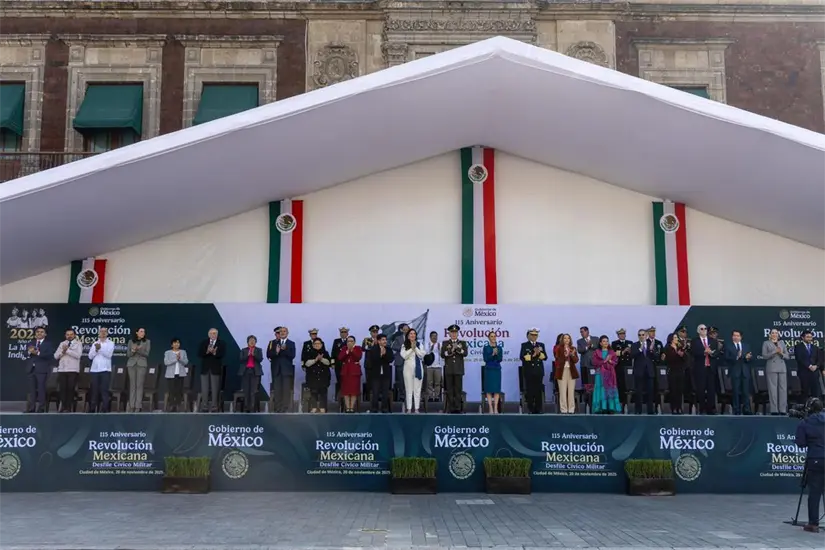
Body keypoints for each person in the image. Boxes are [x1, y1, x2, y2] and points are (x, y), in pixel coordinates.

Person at [795, 398, 825, 533]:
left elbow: (800, 443)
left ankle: (813, 524)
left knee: (815, 492)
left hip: (816, 459)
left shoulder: (805, 423)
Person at [24, 326, 54, 413]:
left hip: (42, 370)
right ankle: (31, 408)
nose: (39, 333)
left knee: (41, 389)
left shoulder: (48, 344)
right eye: (37, 332)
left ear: (45, 334)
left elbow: (49, 355)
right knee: (32, 390)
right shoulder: (31, 343)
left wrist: (38, 353)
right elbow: (25, 353)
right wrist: (30, 352)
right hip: (31, 369)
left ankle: (41, 408)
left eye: (41, 332)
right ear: (35, 334)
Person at [691, 324, 719, 415]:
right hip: (700, 368)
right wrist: (704, 352)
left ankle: (711, 409)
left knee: (711, 389)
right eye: (701, 329)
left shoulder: (713, 341)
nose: (704, 330)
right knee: (701, 389)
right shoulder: (695, 341)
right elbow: (694, 352)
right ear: (698, 331)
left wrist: (711, 353)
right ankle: (702, 408)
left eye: (705, 328)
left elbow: (716, 353)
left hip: (710, 368)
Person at [441, 324, 469, 414]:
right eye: (452, 332)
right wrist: (451, 350)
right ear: (449, 333)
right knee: (449, 390)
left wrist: (457, 349)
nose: (453, 334)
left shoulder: (462, 343)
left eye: (455, 332)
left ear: (457, 333)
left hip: (458, 370)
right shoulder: (445, 343)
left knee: (458, 389)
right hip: (449, 370)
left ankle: (458, 408)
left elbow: (465, 353)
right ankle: (450, 408)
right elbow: (442, 354)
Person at [268, 326, 296, 412]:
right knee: (277, 390)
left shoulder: (291, 343)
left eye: (284, 331)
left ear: (287, 333)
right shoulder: (273, 343)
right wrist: (276, 352)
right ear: (279, 333)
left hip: (286, 370)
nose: (282, 333)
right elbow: (269, 355)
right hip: (276, 369)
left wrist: (284, 350)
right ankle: (277, 408)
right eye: (281, 332)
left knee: (286, 390)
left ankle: (285, 408)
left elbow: (292, 355)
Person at [725, 329, 754, 415]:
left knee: (746, 392)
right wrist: (737, 356)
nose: (736, 337)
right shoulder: (728, 346)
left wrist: (748, 357)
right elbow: (726, 358)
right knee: (736, 392)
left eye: (737, 336)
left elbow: (751, 358)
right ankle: (736, 410)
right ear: (732, 337)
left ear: (741, 337)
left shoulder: (746, 346)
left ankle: (747, 409)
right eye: (734, 335)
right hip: (735, 371)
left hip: (745, 371)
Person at [54, 328, 82, 413]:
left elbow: (78, 355)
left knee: (70, 389)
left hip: (73, 370)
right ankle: (63, 407)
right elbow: (56, 356)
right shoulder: (62, 343)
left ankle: (69, 407)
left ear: (74, 335)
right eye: (67, 334)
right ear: (65, 335)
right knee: (62, 389)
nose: (69, 336)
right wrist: (63, 351)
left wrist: (68, 350)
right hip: (62, 370)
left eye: (71, 334)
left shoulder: (78, 344)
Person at [591, 335, 621, 414]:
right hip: (600, 373)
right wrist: (604, 361)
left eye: (607, 341)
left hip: (610, 373)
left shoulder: (611, 352)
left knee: (610, 389)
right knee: (600, 389)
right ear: (600, 343)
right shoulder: (597, 352)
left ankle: (611, 407)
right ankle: (600, 407)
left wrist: (610, 361)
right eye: (604, 341)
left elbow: (615, 362)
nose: (606, 343)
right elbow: (594, 362)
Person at [197, 328, 225, 412]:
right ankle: (204, 406)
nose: (213, 335)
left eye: (215, 333)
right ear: (209, 334)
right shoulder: (204, 343)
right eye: (212, 333)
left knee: (215, 388)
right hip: (205, 368)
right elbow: (199, 354)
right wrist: (207, 351)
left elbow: (222, 354)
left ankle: (214, 406)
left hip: (215, 368)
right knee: (204, 388)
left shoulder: (221, 343)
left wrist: (214, 353)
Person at [88, 327, 115, 413]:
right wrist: (96, 349)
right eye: (101, 331)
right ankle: (92, 408)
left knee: (104, 390)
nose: (103, 333)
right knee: (94, 390)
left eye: (105, 332)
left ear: (107, 333)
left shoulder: (111, 343)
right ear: (99, 333)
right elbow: (90, 356)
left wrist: (100, 349)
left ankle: (105, 408)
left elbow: (109, 355)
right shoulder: (95, 343)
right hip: (95, 370)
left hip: (105, 370)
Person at [520, 328, 547, 414]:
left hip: (539, 371)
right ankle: (531, 409)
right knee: (530, 390)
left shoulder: (541, 345)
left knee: (538, 390)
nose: (534, 337)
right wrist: (534, 355)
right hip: (529, 371)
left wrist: (539, 354)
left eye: (536, 335)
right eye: (532, 335)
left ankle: (538, 409)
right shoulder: (525, 345)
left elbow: (545, 357)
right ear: (528, 336)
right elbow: (523, 357)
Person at [763, 328, 789, 415]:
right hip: (772, 368)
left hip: (782, 368)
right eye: (772, 333)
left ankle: (782, 409)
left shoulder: (781, 343)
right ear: (770, 335)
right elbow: (765, 356)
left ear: (778, 335)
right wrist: (774, 351)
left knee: (783, 389)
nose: (774, 334)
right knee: (772, 389)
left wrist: (781, 353)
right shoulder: (766, 343)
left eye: (776, 333)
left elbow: (787, 356)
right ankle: (774, 409)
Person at [400, 328, 426, 413]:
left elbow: (422, 355)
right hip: (408, 369)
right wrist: (411, 348)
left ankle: (417, 408)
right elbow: (404, 356)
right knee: (409, 389)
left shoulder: (420, 344)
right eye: (411, 333)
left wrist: (415, 348)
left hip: (418, 369)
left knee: (417, 389)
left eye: (414, 334)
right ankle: (409, 408)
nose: (412, 335)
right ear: (408, 336)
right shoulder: (404, 345)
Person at [366, 333, 394, 413]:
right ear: (378, 341)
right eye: (383, 340)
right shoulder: (373, 349)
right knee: (375, 392)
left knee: (385, 392)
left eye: (385, 339)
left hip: (386, 374)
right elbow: (372, 361)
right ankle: (374, 408)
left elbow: (391, 359)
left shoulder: (388, 349)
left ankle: (384, 408)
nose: (385, 341)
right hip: (375, 374)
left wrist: (384, 355)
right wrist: (380, 355)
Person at [126, 328, 151, 412]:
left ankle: (138, 406)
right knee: (132, 385)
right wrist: (133, 350)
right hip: (131, 364)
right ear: (136, 333)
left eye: (144, 331)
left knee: (139, 385)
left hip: (142, 364)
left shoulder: (147, 342)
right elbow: (128, 354)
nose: (143, 333)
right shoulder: (130, 341)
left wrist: (138, 350)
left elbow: (147, 354)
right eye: (141, 331)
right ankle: (131, 405)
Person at [631, 329, 655, 415]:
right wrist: (640, 349)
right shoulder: (635, 345)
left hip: (649, 371)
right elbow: (632, 355)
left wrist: (651, 350)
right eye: (639, 335)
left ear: (646, 335)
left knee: (650, 391)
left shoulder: (650, 344)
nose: (641, 336)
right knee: (638, 391)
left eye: (643, 334)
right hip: (639, 371)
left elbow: (655, 357)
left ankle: (650, 410)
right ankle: (638, 410)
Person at [304, 338, 332, 413]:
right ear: (313, 345)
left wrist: (321, 359)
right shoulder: (309, 353)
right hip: (312, 376)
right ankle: (314, 407)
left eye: (318, 344)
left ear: (321, 345)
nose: (317, 345)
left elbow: (328, 363)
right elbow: (306, 363)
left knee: (323, 392)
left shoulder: (325, 353)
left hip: (323, 376)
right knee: (313, 393)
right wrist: (315, 360)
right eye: (315, 344)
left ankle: (323, 407)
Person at [554, 333, 579, 414]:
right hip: (561, 371)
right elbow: (557, 358)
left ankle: (571, 409)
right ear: (562, 339)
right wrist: (565, 355)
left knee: (571, 391)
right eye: (565, 338)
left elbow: (576, 360)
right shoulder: (558, 348)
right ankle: (563, 409)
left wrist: (571, 355)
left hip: (571, 371)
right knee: (562, 391)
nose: (567, 340)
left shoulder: (573, 348)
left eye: (568, 338)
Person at [237, 335, 263, 413]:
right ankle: (246, 407)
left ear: (255, 342)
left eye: (253, 340)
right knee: (246, 391)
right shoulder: (244, 350)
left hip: (255, 372)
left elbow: (260, 359)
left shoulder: (258, 350)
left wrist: (254, 354)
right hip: (245, 371)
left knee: (253, 391)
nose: (252, 342)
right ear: (248, 342)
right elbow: (241, 359)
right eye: (250, 340)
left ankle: (252, 408)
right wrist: (247, 355)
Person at [337, 336, 362, 413]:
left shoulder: (358, 348)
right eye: (348, 341)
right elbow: (340, 357)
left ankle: (352, 407)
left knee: (354, 390)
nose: (349, 343)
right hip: (346, 372)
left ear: (354, 342)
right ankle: (347, 407)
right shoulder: (344, 348)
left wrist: (352, 350)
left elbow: (358, 357)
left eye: (351, 341)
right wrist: (347, 351)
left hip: (355, 372)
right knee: (346, 391)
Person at [663, 333, 687, 414]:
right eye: (675, 337)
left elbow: (686, 359)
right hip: (672, 371)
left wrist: (682, 355)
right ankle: (673, 408)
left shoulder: (680, 347)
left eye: (677, 337)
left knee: (679, 390)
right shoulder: (668, 348)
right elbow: (669, 359)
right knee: (673, 390)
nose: (677, 338)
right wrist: (677, 353)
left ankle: (679, 407)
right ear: (671, 339)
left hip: (680, 371)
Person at [164, 338, 189, 412]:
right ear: (172, 345)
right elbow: (166, 362)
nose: (176, 344)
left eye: (178, 343)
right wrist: (176, 359)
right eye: (175, 343)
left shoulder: (183, 352)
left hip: (180, 374)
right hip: (170, 375)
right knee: (171, 391)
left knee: (179, 391)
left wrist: (180, 359)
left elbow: (186, 362)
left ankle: (178, 405)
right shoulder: (167, 352)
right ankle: (172, 405)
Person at [796, 330, 822, 401]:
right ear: (803, 337)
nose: (809, 339)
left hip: (814, 372)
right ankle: (805, 408)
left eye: (810, 337)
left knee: (815, 392)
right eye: (807, 337)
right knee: (805, 391)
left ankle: (816, 408)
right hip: (804, 372)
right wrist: (809, 366)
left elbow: (819, 359)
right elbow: (799, 358)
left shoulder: (815, 348)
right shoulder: (798, 347)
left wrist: (816, 366)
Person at [482, 331, 503, 414]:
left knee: (496, 389)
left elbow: (500, 359)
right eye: (491, 336)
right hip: (489, 370)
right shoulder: (486, 348)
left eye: (494, 336)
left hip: (497, 370)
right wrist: (492, 354)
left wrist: (496, 354)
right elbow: (486, 359)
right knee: (489, 389)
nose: (493, 338)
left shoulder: (500, 348)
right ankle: (490, 407)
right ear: (489, 338)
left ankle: (495, 408)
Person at [330, 327, 350, 402]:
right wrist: (332, 363)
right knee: (339, 380)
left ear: (347, 333)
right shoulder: (336, 341)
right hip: (338, 365)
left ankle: (346, 396)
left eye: (345, 332)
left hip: (347, 365)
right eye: (342, 332)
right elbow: (333, 353)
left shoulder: (350, 340)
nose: (343, 334)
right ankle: (338, 397)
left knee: (347, 381)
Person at [424, 331, 442, 401]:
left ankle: (437, 396)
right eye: (433, 336)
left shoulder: (440, 344)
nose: (435, 337)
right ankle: (430, 396)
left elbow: (442, 355)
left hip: (438, 367)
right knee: (429, 382)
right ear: (430, 337)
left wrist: (439, 349)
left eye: (436, 336)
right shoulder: (427, 344)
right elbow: (425, 353)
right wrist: (431, 349)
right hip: (429, 367)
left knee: (437, 382)